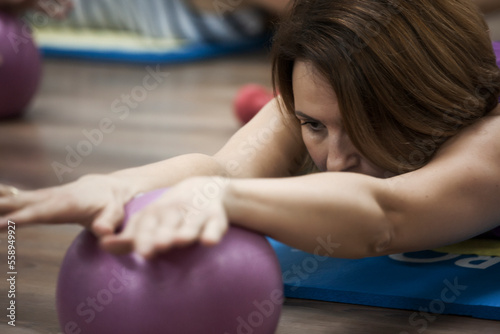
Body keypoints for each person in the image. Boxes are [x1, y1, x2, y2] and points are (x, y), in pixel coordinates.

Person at [2, 0, 500, 260]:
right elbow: (223, 168)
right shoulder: (322, 90)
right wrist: (116, 187)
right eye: (314, 126)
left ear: (431, 101)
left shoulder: (490, 136)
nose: (338, 160)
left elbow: (388, 215)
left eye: (367, 126)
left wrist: (225, 199)